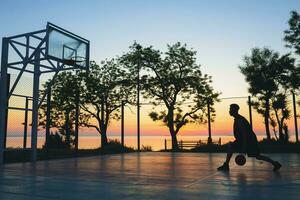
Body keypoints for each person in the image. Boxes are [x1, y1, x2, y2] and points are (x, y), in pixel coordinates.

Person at [217, 104, 282, 171]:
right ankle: (226, 165)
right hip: (242, 140)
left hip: (249, 141)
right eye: (229, 109)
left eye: (230, 109)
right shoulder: (238, 119)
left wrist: (244, 148)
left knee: (257, 156)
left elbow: (245, 134)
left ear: (235, 110)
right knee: (231, 146)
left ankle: (275, 163)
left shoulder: (239, 120)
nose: (229, 111)